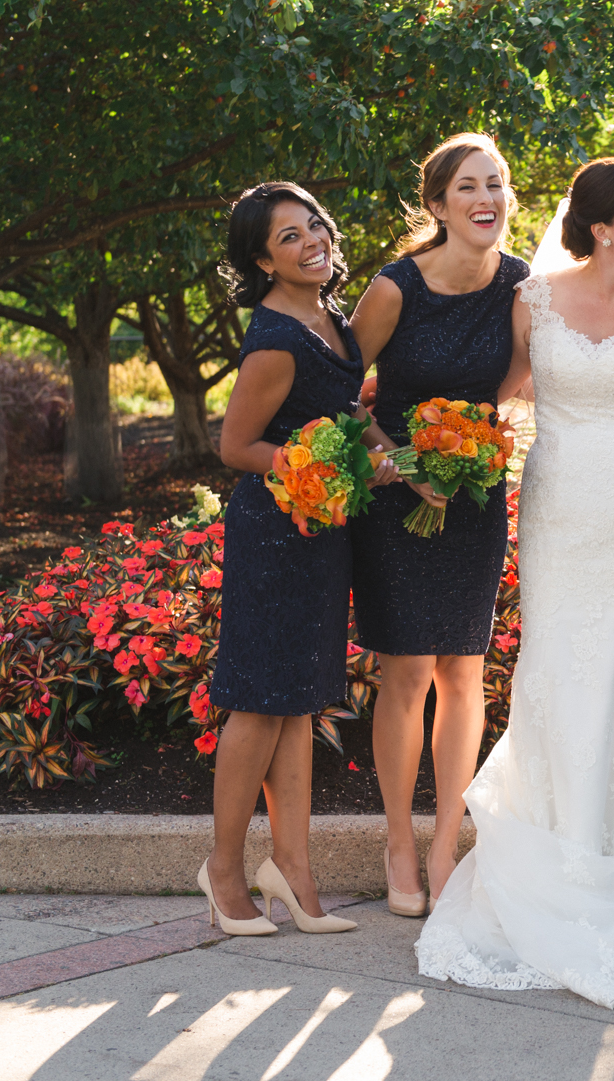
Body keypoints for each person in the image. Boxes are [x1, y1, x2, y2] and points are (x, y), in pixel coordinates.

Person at [415, 158, 614, 1008]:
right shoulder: (532, 300)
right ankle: (545, 851)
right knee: (555, 670)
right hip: (558, 513)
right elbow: (504, 391)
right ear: (601, 222)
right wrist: (427, 433)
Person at [203, 182, 395, 936]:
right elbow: (235, 446)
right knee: (257, 702)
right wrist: (320, 467)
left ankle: (293, 868)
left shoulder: (331, 317)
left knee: (298, 703)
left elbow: (347, 412)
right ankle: (222, 872)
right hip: (275, 533)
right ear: (262, 259)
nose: (312, 239)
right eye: (289, 236)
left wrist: (396, 458)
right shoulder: (275, 338)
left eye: (313, 223)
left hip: (323, 528)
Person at [350, 133, 530, 915]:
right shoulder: (395, 288)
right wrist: (396, 462)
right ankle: (397, 837)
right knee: (407, 672)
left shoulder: (521, 284)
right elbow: (340, 394)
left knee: (463, 671)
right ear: (437, 205)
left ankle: (447, 840)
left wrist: (488, 444)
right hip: (396, 498)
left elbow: (518, 384)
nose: (486, 198)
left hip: (474, 499)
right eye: (468, 187)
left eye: (495, 184)